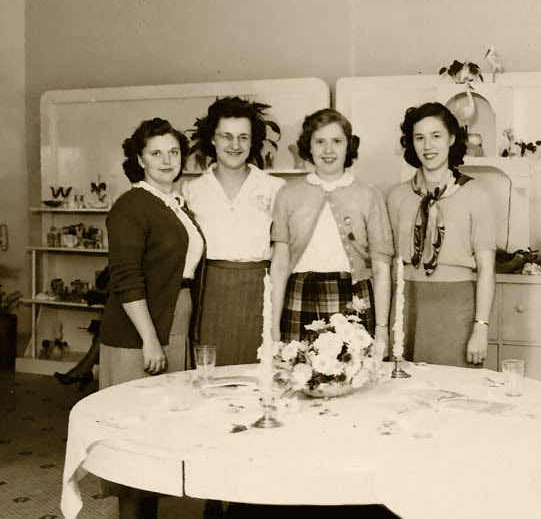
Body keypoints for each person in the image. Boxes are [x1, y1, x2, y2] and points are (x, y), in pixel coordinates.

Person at [99, 118, 205, 519]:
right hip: (138, 331)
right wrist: (149, 339)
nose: (167, 159)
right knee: (134, 443)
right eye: (156, 152)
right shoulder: (132, 205)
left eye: (174, 152)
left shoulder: (171, 201)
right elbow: (126, 278)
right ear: (139, 158)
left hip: (172, 318)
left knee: (159, 435)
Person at [270, 108, 392, 353]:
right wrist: (273, 326)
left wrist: (381, 329)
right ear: (309, 146)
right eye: (320, 141)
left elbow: (380, 267)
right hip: (301, 293)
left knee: (357, 378)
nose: (328, 150)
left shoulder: (369, 194)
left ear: (349, 146)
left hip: (353, 296)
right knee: (299, 377)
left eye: (337, 141)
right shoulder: (287, 194)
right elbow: (280, 264)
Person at [386, 102, 495, 367]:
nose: (427, 146)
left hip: (456, 305)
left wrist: (481, 328)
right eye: (419, 138)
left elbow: (486, 269)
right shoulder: (396, 196)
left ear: (452, 139)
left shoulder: (476, 195)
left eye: (436, 136)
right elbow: (390, 266)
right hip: (406, 304)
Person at [183, 97, 284, 367]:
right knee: (211, 376)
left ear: (253, 141)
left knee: (259, 375)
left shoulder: (276, 188)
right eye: (226, 136)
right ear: (212, 139)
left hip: (261, 290)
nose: (235, 145)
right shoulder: (191, 191)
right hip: (210, 292)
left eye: (243, 137)